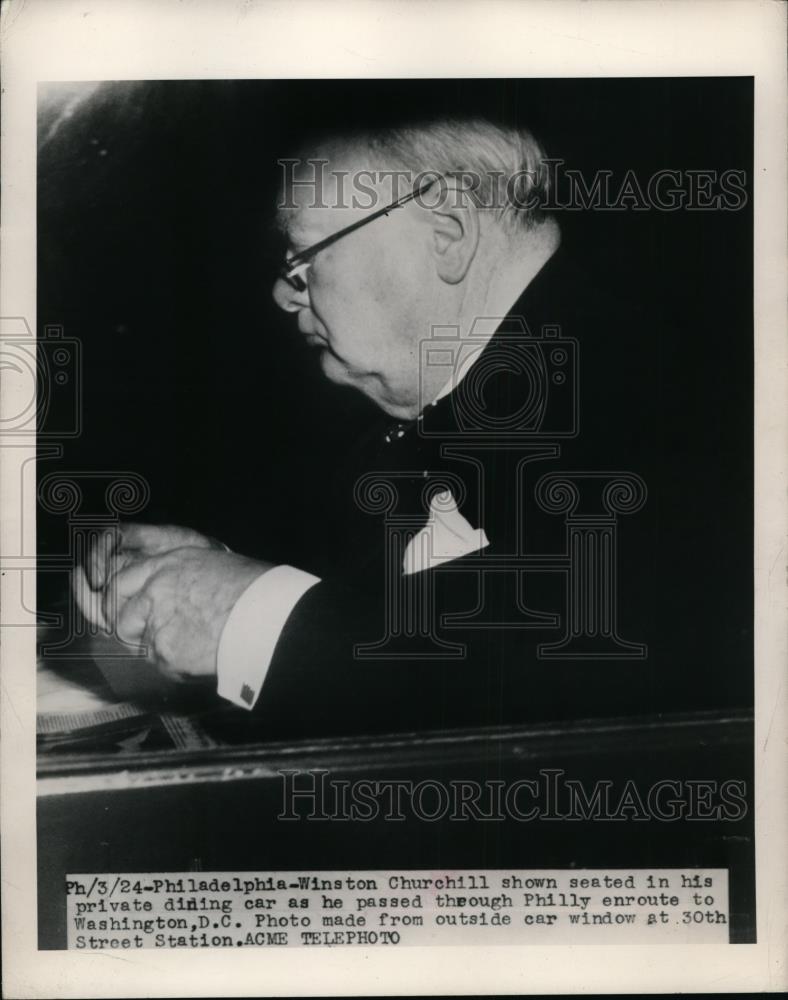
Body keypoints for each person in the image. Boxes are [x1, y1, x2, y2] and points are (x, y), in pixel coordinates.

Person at [74, 115, 650, 736]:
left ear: (448, 234)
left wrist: (246, 616)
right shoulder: (502, 389)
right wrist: (215, 578)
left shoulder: (657, 388)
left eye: (305, 259)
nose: (282, 294)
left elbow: (581, 652)